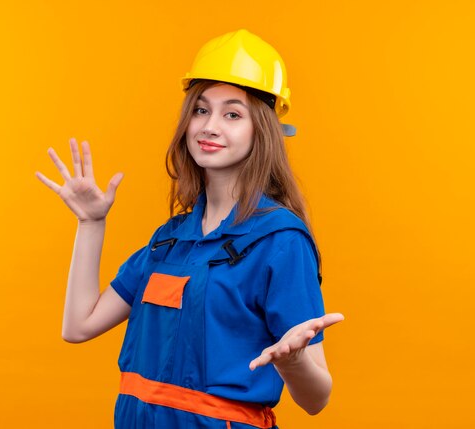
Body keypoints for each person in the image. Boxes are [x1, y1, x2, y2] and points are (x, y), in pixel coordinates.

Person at [36, 29, 344, 429]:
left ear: (263, 131)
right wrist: (91, 223)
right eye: (200, 110)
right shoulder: (170, 240)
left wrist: (294, 360)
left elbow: (317, 399)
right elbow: (78, 326)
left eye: (232, 114)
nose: (210, 126)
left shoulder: (280, 241)